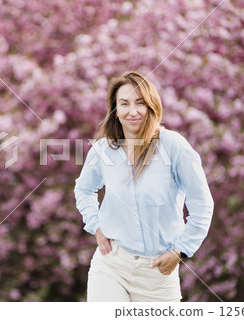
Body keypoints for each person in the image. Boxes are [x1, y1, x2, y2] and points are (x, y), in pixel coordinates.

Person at [74, 71, 214, 302]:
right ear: (115, 111)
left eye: (140, 103)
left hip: (157, 273)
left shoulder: (174, 146)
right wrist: (96, 226)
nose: (133, 111)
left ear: (151, 106)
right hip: (111, 265)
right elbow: (84, 189)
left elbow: (202, 203)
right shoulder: (103, 150)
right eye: (124, 104)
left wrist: (180, 250)